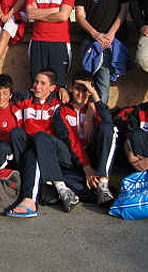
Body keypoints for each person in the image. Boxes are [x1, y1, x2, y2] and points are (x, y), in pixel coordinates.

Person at [7, 69, 91, 218]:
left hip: (58, 153)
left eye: (42, 84)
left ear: (52, 88)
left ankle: (59, 188)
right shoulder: (25, 98)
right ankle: (31, 198)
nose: (37, 87)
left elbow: (69, 134)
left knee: (40, 137)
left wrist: (86, 166)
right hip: (32, 152)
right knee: (17, 134)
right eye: (36, 82)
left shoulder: (59, 103)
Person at [75, 0, 131, 104]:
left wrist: (110, 34)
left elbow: (124, 9)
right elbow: (79, 15)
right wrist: (96, 35)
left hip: (111, 41)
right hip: (91, 41)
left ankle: (100, 118)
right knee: (86, 82)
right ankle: (89, 117)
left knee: (103, 83)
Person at [60, 71, 117, 204]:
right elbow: (70, 140)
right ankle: (87, 189)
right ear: (71, 88)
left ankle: (103, 183)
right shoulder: (63, 109)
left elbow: (109, 124)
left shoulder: (94, 109)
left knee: (108, 128)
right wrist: (86, 166)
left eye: (85, 90)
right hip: (74, 157)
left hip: (93, 155)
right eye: (77, 89)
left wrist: (95, 97)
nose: (80, 94)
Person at [26, 0, 74, 87]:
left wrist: (39, 13)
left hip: (59, 43)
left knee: (59, 86)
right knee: (37, 86)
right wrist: (54, 10)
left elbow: (63, 16)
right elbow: (30, 14)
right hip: (37, 42)